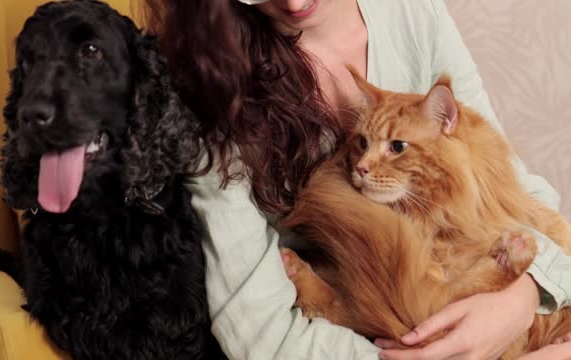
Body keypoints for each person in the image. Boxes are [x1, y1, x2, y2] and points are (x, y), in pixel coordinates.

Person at [140, 0, 571, 358]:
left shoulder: (412, 14)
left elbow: (515, 194)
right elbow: (260, 336)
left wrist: (528, 294)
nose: (292, 3)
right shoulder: (211, 87)